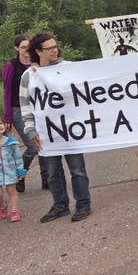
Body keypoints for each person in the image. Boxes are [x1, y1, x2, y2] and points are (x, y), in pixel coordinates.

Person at [20, 32, 92, 223]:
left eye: (55, 46)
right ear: (38, 51)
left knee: (77, 169)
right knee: (52, 173)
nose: (54, 50)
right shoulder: (28, 76)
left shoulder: (68, 68)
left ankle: (83, 203)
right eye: (49, 48)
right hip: (46, 134)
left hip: (71, 130)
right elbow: (25, 105)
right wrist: (30, 130)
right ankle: (60, 205)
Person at [2, 35, 48, 192]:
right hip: (17, 109)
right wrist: (7, 116)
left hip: (36, 108)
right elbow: (7, 91)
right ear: (17, 48)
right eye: (22, 47)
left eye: (28, 47)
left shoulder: (36, 65)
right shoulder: (11, 65)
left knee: (42, 143)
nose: (26, 50)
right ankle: (19, 175)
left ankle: (46, 178)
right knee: (32, 145)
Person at [0, 121, 27, 222]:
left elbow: (18, 157)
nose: (0, 126)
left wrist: (20, 169)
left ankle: (15, 211)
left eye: (0, 123)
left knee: (11, 191)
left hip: (10, 171)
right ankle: (3, 207)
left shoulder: (11, 142)